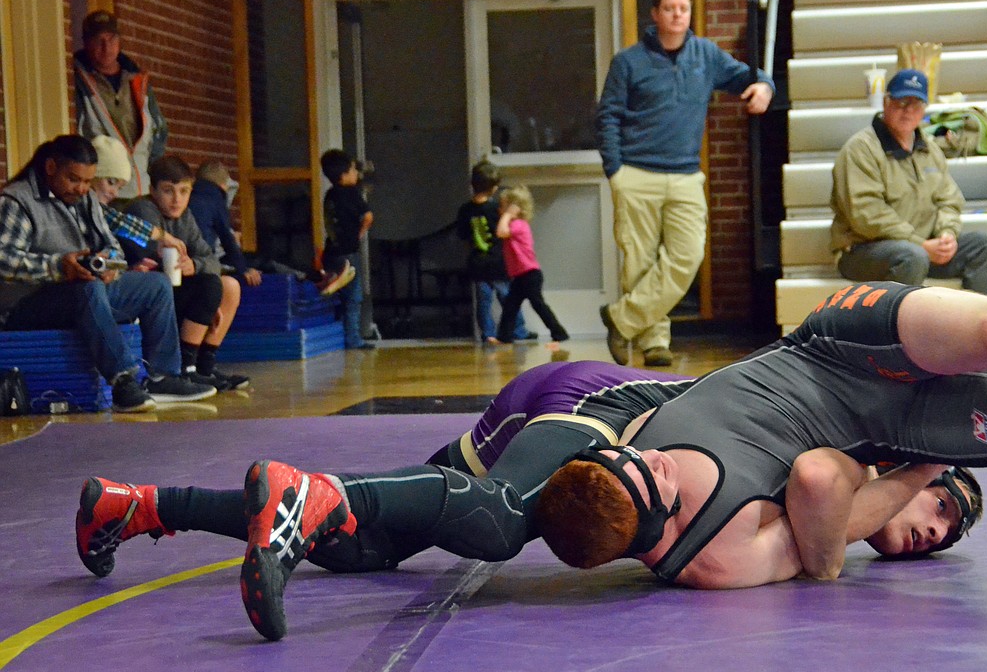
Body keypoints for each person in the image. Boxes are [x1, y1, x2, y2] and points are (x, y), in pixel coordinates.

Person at [536, 277, 987, 589]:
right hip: (869, 385)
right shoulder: (879, 469)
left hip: (832, 353)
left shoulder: (725, 550)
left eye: (945, 518)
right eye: (948, 518)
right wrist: (919, 464)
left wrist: (912, 473)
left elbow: (820, 514)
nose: (934, 533)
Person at [75, 361, 696, 640]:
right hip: (597, 406)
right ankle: (314, 491)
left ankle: (139, 505)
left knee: (365, 543)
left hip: (572, 400)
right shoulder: (778, 416)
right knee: (503, 520)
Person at [596, 0, 774, 368]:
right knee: (639, 263)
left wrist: (766, 86)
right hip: (636, 173)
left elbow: (749, 78)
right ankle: (655, 342)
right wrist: (615, 170)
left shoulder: (706, 55)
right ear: (655, 14)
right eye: (670, 8)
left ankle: (621, 319)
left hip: (686, 175)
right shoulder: (628, 62)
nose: (678, 15)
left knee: (687, 256)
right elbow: (607, 114)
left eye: (684, 8)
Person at [0, 135, 214, 412]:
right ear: (51, 167)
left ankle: (163, 377)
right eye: (74, 179)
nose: (81, 188)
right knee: (86, 289)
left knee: (157, 285)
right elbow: (4, 260)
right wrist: (58, 266)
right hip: (27, 304)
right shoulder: (17, 201)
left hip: (84, 289)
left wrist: (110, 263)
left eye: (88, 181)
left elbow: (112, 243)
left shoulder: (85, 200)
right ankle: (123, 380)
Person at [830, 68, 987, 297]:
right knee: (911, 256)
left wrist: (946, 235)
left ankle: (980, 327)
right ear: (885, 102)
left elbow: (949, 199)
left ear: (924, 110)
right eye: (901, 101)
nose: (908, 110)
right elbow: (866, 215)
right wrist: (920, 244)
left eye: (916, 104)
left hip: (922, 249)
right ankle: (901, 332)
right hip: (864, 251)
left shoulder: (929, 148)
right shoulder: (860, 149)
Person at [126, 155, 249, 391]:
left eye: (184, 191)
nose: (177, 200)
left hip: (175, 289)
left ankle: (205, 366)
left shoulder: (185, 217)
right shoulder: (143, 210)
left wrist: (194, 264)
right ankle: (185, 368)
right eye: (168, 191)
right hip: (152, 293)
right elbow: (155, 254)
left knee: (229, 285)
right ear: (152, 190)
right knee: (210, 287)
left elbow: (211, 259)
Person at [73, 10, 168, 199]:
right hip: (103, 193)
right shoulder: (77, 81)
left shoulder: (138, 81)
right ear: (86, 43)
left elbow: (158, 131)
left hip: (143, 189)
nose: (106, 46)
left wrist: (153, 174)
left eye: (111, 39)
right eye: (99, 40)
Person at [455, 160, 533, 345]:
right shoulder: (497, 209)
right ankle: (518, 330)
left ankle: (488, 334)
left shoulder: (465, 210)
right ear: (493, 188)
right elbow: (507, 231)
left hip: (478, 262)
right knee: (509, 297)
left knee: (484, 301)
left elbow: (464, 237)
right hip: (500, 261)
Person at [88, 135, 189, 267]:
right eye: (111, 182)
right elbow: (120, 223)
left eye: (120, 187)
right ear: (91, 176)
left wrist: (129, 270)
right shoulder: (86, 207)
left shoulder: (99, 213)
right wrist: (162, 235)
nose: (115, 193)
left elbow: (109, 261)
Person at [494, 185, 570, 351]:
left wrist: (507, 215)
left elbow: (500, 232)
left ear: (515, 209)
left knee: (538, 304)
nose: (500, 209)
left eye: (504, 206)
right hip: (520, 275)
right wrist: (507, 214)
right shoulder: (515, 225)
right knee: (511, 305)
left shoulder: (518, 225)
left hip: (530, 274)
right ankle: (504, 337)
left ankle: (559, 334)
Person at [320, 149, 374, 350]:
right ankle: (352, 338)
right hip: (349, 254)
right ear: (344, 174)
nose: (356, 174)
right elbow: (368, 217)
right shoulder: (353, 193)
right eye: (353, 170)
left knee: (335, 295)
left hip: (331, 252)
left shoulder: (330, 195)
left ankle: (333, 336)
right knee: (353, 297)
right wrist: (359, 233)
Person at [188, 161, 262, 288]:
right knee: (263, 263)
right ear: (223, 185)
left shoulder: (189, 195)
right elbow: (227, 238)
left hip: (185, 259)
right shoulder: (215, 198)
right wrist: (243, 269)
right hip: (203, 260)